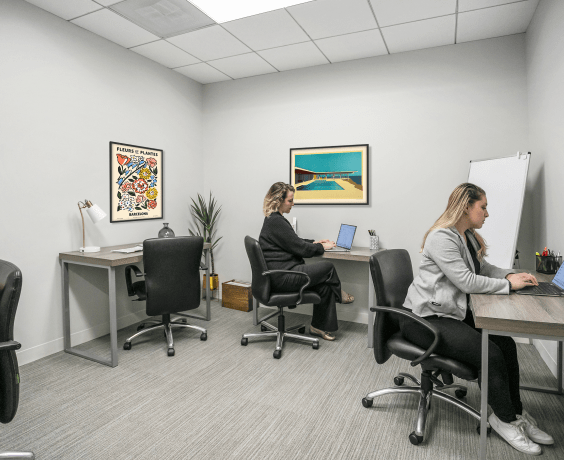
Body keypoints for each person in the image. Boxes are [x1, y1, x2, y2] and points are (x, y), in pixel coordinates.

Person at [401, 182, 553, 456]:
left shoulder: (466, 235)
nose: (487, 213)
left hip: (450, 313)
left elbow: (483, 268)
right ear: (466, 207)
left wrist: (510, 275)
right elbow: (466, 281)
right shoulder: (442, 237)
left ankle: (516, 413)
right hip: (425, 320)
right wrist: (509, 286)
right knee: (490, 355)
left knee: (505, 344)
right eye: (482, 207)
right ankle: (502, 420)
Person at [258, 182, 353, 341]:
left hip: (282, 273)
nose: (292, 204)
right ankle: (340, 296)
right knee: (328, 267)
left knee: (325, 285)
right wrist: (322, 248)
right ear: (278, 201)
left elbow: (293, 241)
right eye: (290, 201)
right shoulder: (276, 221)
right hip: (283, 276)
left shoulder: (274, 219)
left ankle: (318, 327)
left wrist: (316, 243)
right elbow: (300, 248)